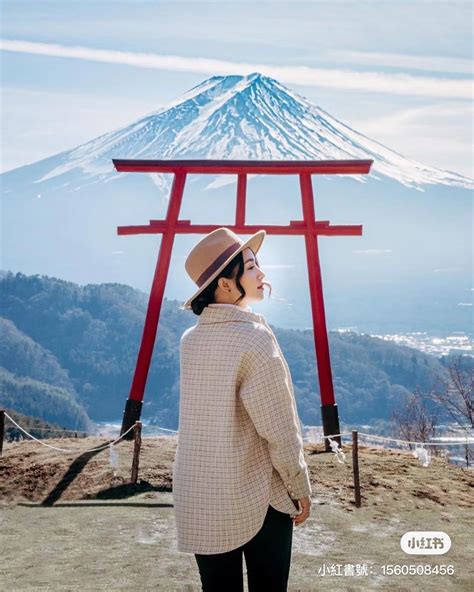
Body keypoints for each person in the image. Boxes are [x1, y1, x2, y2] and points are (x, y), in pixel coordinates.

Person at [173, 227, 312, 592]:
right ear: (226, 284)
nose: (261, 274)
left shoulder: (191, 341)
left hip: (202, 496)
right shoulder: (253, 337)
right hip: (259, 497)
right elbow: (278, 426)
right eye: (251, 267)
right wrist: (299, 485)